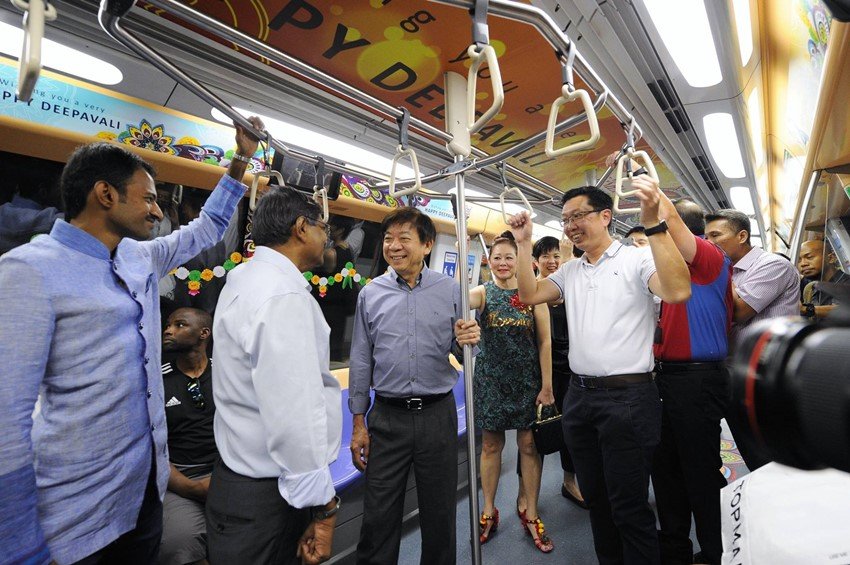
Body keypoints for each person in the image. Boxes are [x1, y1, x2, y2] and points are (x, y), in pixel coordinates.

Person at [0, 116, 263, 564]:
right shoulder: (29, 270)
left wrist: (241, 159)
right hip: (74, 516)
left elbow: (206, 228)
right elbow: (6, 422)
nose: (159, 212)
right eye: (149, 199)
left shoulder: (139, 257)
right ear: (105, 195)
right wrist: (20, 546)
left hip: (144, 495)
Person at [507, 176, 692, 565]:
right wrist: (523, 245)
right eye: (565, 219)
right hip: (580, 397)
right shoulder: (571, 271)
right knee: (597, 501)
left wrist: (655, 224)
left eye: (579, 216)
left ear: (606, 216)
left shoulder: (636, 259)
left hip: (628, 398)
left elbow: (677, 291)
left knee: (628, 505)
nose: (571, 225)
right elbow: (528, 294)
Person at [207, 187, 342, 565]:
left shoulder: (243, 278)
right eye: (322, 230)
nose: (325, 241)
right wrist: (324, 508)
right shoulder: (283, 296)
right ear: (301, 228)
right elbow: (294, 416)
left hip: (235, 479)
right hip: (269, 496)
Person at [348, 207, 481, 565]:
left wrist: (470, 338)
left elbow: (463, 350)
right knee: (378, 516)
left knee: (439, 514)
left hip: (437, 415)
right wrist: (358, 422)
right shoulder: (370, 294)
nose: (394, 246)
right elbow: (361, 359)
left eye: (404, 238)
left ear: (427, 245)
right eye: (389, 239)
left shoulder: (452, 290)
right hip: (386, 419)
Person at [651, 197, 733, 565]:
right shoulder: (665, 272)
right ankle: (675, 552)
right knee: (665, 471)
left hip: (698, 380)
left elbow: (668, 216)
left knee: (699, 473)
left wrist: (653, 197)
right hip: (665, 379)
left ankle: (717, 553)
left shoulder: (709, 257)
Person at [469, 231, 555, 552]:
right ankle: (489, 509)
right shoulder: (483, 292)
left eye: (510, 257)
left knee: (529, 445)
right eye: (497, 258)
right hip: (491, 381)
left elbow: (545, 341)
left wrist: (547, 385)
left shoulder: (532, 294)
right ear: (489, 261)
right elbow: (459, 301)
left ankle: (530, 513)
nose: (503, 263)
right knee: (491, 445)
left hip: (527, 380)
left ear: (520, 261)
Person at [516, 236, 585, 510]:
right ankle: (524, 491)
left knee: (572, 430)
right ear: (536, 261)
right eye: (546, 256)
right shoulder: (530, 291)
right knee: (533, 434)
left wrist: (568, 261)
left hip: (570, 368)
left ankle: (570, 481)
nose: (552, 261)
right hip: (538, 369)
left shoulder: (573, 286)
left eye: (557, 256)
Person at [160, 307, 217, 565]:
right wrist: (189, 486)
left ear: (203, 333)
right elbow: (150, 446)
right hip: (178, 476)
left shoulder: (226, 373)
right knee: (177, 545)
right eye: (168, 325)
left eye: (180, 325)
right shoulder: (156, 379)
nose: (168, 330)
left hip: (226, 470)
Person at [704, 210, 799, 344]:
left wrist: (720, 267)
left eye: (715, 235)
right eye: (706, 238)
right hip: (733, 359)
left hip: (765, 360)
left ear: (742, 236)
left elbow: (738, 313)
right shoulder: (731, 269)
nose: (709, 243)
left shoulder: (774, 265)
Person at [799, 239, 848, 319]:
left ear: (831, 258)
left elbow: (845, 310)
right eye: (799, 260)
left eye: (809, 257)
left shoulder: (846, 283)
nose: (803, 264)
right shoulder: (811, 287)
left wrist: (806, 309)